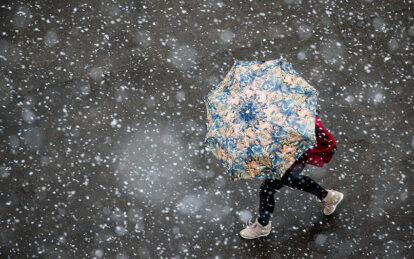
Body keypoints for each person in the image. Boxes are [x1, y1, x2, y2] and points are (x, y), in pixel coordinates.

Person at [240, 115, 344, 239]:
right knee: (290, 181)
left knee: (268, 189)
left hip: (289, 156)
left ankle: (263, 225)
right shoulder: (285, 109)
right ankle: (328, 197)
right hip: (289, 154)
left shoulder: (288, 118)